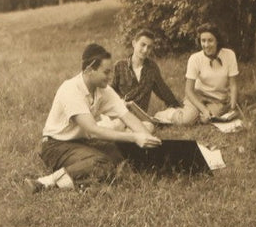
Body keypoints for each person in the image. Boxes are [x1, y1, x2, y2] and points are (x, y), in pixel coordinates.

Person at [33, 43, 161, 191]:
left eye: (111, 72)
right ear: (89, 70)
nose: (110, 77)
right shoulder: (70, 89)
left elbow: (127, 116)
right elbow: (93, 130)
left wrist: (147, 139)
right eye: (106, 72)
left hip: (82, 142)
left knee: (121, 158)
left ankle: (86, 183)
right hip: (55, 146)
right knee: (101, 163)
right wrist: (134, 137)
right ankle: (46, 182)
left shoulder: (103, 90)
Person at [112, 29, 186, 126]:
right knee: (117, 125)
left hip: (140, 117)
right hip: (121, 113)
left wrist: (177, 107)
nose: (146, 50)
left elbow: (163, 90)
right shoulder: (119, 66)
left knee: (149, 127)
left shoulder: (152, 67)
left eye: (149, 47)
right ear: (134, 43)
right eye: (143, 45)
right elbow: (109, 91)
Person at [181, 24, 240, 123]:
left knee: (207, 120)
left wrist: (232, 108)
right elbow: (189, 90)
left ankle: (198, 115)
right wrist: (204, 109)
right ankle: (170, 113)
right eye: (203, 41)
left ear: (217, 41)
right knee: (187, 120)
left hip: (217, 99)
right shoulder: (195, 58)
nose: (206, 45)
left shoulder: (229, 55)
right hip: (197, 96)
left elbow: (233, 85)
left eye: (210, 40)